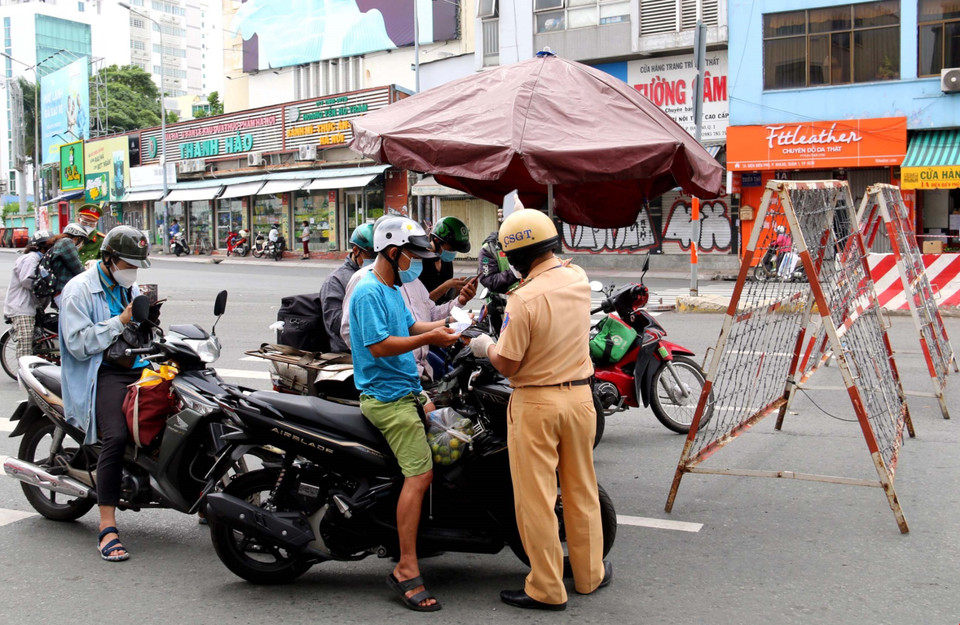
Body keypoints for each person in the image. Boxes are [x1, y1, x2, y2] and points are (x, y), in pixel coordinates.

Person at [469, 208, 611, 611]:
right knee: (581, 490)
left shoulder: (524, 298)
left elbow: (507, 363)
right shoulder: (578, 278)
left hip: (537, 402)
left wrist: (484, 345)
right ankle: (588, 574)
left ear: (516, 257)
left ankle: (546, 588)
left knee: (537, 498)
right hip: (582, 400)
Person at [348, 216, 459, 612]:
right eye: (413, 254)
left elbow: (412, 324)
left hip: (410, 389)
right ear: (394, 252)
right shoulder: (367, 292)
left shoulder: (393, 286)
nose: (418, 262)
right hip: (387, 398)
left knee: (455, 438)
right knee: (421, 472)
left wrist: (449, 325)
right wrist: (429, 336)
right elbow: (379, 346)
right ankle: (406, 566)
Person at [59, 225, 152, 562]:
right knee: (115, 437)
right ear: (110, 259)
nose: (133, 271)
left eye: (136, 265)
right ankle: (107, 526)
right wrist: (121, 320)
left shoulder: (131, 286)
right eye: (129, 264)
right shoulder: (78, 291)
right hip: (102, 371)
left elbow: (140, 326)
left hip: (136, 364)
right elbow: (79, 344)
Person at [320, 223, 375, 353]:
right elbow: (336, 323)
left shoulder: (382, 275)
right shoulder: (335, 281)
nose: (376, 260)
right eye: (371, 255)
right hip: (348, 352)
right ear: (356, 251)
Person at [3, 230, 52, 359]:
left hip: (33, 306)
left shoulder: (42, 259)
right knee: (25, 342)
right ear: (42, 247)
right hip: (21, 308)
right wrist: (45, 286)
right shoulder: (31, 258)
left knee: (40, 339)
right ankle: (23, 375)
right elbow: (27, 280)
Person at [419, 216, 471, 304]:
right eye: (451, 248)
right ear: (437, 240)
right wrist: (446, 286)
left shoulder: (446, 262)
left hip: (440, 315)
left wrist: (459, 290)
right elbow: (421, 304)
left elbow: (447, 300)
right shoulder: (418, 262)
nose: (453, 252)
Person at [47, 224, 89, 308]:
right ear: (78, 238)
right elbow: (79, 270)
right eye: (82, 240)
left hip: (60, 292)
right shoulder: (66, 242)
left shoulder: (59, 243)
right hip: (65, 292)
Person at [478, 231, 520, 295]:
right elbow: (488, 280)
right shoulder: (489, 248)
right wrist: (514, 273)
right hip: (503, 300)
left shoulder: (531, 241)